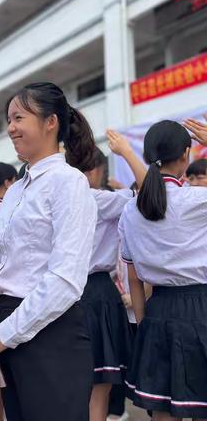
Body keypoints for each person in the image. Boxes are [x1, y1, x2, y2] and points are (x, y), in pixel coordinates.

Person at [0, 82, 98, 421]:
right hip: (11, 323)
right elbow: (1, 262)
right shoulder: (16, 191)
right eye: (8, 119)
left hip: (49, 332)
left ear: (50, 122)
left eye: (18, 117)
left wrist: (5, 333)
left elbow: (65, 279)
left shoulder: (69, 183)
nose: (10, 127)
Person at [119, 118, 207, 421]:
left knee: (163, 413)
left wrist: (144, 327)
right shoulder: (198, 200)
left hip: (157, 313)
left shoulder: (131, 209)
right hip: (201, 308)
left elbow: (132, 277)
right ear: (186, 154)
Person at [81, 131, 146, 421]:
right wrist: (129, 153)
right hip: (95, 293)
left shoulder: (50, 199)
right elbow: (148, 193)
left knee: (71, 382)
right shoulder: (100, 199)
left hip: (60, 292)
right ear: (95, 170)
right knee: (99, 387)